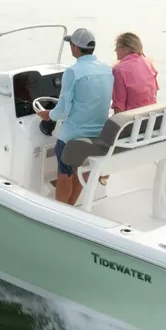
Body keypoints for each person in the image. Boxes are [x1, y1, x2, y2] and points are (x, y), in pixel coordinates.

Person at [37, 28, 113, 206]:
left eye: (71, 44)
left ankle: (60, 211)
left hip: (74, 137)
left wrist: (48, 115)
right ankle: (70, 207)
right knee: (81, 168)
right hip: (99, 135)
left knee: (65, 171)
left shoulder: (72, 72)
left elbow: (62, 111)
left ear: (76, 48)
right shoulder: (107, 69)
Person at [98, 32, 159, 186]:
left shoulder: (120, 70)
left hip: (133, 125)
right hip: (150, 121)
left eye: (117, 47)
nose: (115, 50)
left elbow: (119, 107)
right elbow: (153, 94)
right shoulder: (148, 63)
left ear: (126, 48)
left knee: (96, 128)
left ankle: (101, 172)